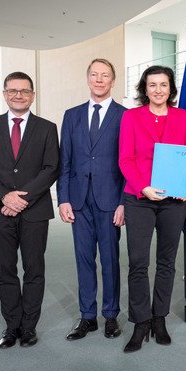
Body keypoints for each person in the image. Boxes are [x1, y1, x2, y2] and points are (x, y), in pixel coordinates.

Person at [0, 71, 59, 349]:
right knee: (5, 270)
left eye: (24, 91)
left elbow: (51, 168)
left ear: (32, 95)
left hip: (35, 211)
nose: (18, 95)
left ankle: (29, 327)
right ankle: (12, 327)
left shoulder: (47, 128)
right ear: (5, 94)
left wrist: (23, 198)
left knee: (34, 269)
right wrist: (4, 197)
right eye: (12, 91)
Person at [119, 65, 186, 353]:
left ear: (171, 88)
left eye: (163, 84)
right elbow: (125, 159)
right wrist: (143, 188)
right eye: (152, 85)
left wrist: (182, 181)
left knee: (167, 261)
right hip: (139, 198)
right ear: (145, 88)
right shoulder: (131, 117)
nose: (158, 90)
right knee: (138, 262)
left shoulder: (183, 118)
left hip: (173, 201)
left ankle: (159, 317)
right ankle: (141, 321)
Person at [57, 58, 126, 341]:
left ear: (112, 81)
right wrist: (62, 199)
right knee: (83, 260)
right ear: (87, 79)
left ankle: (110, 316)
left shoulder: (125, 116)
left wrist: (124, 202)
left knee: (110, 261)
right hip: (79, 202)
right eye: (95, 75)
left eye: (105, 75)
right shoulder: (71, 116)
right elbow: (65, 161)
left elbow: (128, 163)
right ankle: (87, 317)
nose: (99, 80)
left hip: (111, 201)